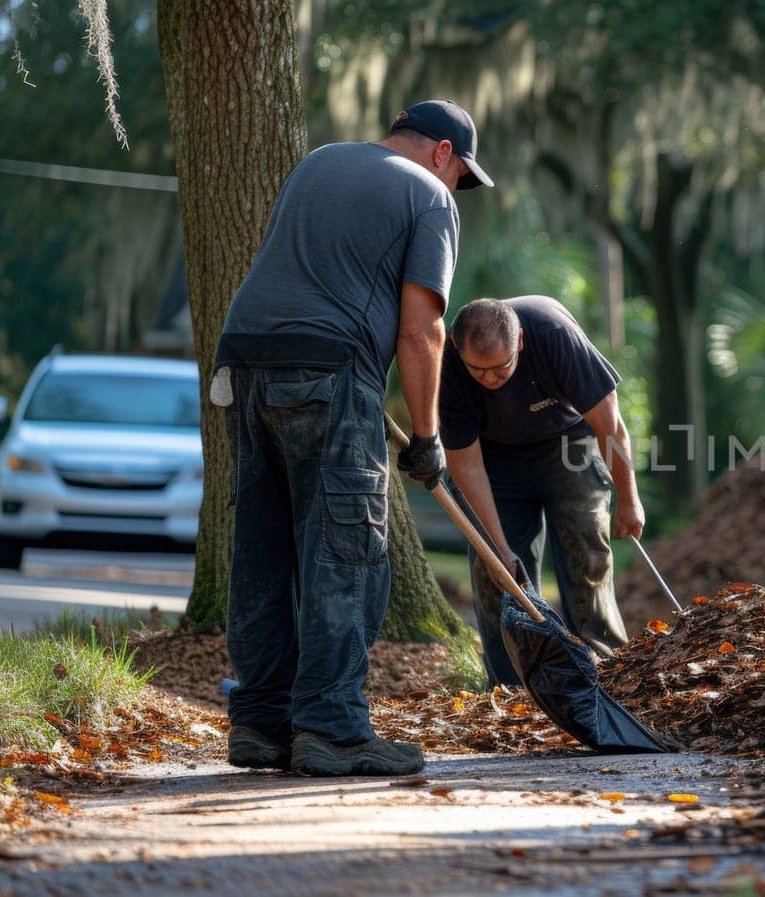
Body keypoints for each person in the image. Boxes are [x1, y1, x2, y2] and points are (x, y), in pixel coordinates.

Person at [213, 99, 493, 776]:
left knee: (266, 544)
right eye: (462, 174)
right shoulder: (430, 195)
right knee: (347, 549)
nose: (459, 188)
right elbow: (423, 328)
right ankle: (332, 728)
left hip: (245, 365)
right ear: (443, 154)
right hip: (329, 374)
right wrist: (427, 436)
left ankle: (260, 721)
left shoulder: (320, 161)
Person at [439, 296, 642, 683]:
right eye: (477, 370)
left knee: (587, 552)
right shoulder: (446, 366)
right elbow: (465, 464)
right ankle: (512, 685)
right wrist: (498, 551)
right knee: (495, 573)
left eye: (500, 368)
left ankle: (605, 672)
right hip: (491, 457)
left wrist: (629, 500)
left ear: (520, 343)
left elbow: (610, 425)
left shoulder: (555, 335)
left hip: (567, 441)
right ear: (456, 346)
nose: (489, 380)